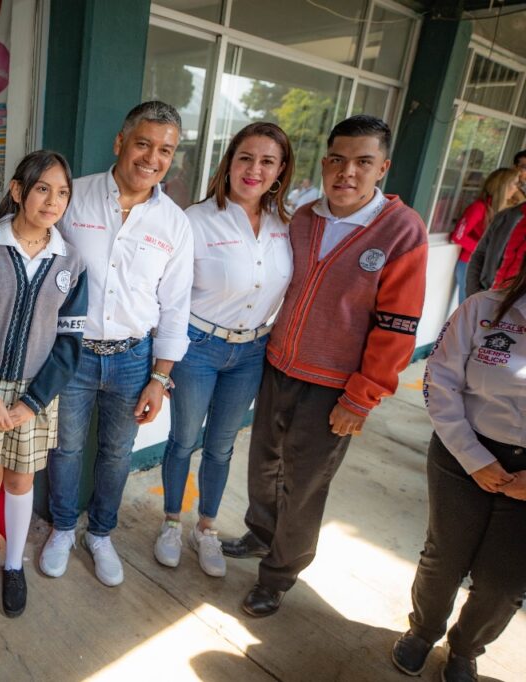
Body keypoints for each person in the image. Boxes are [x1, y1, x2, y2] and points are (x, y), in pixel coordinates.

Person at [0, 101, 195, 587]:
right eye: (143, 143)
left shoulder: (175, 224)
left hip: (132, 357)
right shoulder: (75, 195)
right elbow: (15, 237)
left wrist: (160, 378)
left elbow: (176, 307)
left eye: (165, 149)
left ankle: (100, 534)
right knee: (63, 451)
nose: (152, 158)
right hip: (72, 360)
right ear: (120, 143)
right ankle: (62, 528)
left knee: (116, 453)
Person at [220, 115, 429, 618]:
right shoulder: (306, 217)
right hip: (279, 366)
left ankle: (280, 573)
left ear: (383, 167)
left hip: (334, 388)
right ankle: (261, 533)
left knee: (305, 483)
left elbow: (397, 327)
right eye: (337, 159)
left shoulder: (402, 231)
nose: (347, 172)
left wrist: (361, 397)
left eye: (362, 162)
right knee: (264, 465)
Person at [0, 150, 88, 617]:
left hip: (34, 393)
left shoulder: (72, 261)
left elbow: (69, 341)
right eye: (42, 188)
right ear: (18, 190)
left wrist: (33, 401)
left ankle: (13, 565)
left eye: (62, 192)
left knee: (21, 480)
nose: (53, 200)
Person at [153, 122, 294, 578]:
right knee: (184, 440)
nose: (254, 169)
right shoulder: (195, 220)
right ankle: (172, 523)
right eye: (245, 158)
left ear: (281, 170)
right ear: (229, 163)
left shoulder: (286, 226)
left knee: (222, 446)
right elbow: (169, 294)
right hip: (199, 348)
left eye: (267, 161)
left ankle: (206, 529)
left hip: (252, 351)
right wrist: (165, 360)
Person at [390, 251, 526, 682]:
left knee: (503, 582)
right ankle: (422, 631)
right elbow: (440, 380)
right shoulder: (484, 309)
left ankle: (465, 648)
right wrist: (475, 458)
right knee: (444, 557)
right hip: (462, 451)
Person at [450, 167, 519, 302]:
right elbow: (457, 236)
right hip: (469, 265)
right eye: (514, 183)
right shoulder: (478, 208)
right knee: (469, 309)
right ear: (503, 186)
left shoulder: (503, 211)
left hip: (487, 267)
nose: (516, 188)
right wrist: (485, 250)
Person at [465, 186, 526, 297]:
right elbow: (479, 254)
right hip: (486, 294)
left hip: (516, 306)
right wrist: (474, 294)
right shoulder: (504, 216)